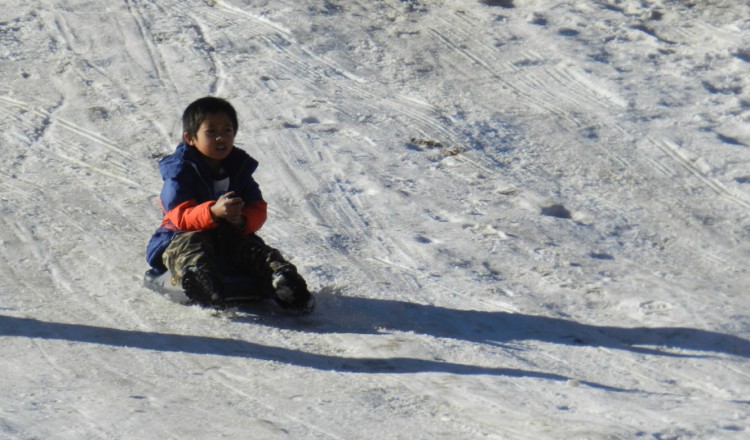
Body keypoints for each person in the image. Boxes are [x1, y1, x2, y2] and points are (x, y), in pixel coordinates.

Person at [146, 96, 315, 314]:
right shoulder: (180, 172)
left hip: (227, 236)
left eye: (227, 130)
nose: (220, 138)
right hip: (180, 235)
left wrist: (242, 219)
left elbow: (257, 206)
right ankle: (201, 281)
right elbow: (179, 215)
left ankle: (282, 281)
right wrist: (212, 212)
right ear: (190, 138)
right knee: (191, 245)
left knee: (253, 248)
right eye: (211, 132)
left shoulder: (238, 168)